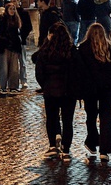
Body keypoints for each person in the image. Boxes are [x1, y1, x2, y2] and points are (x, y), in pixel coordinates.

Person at [75, 23, 111, 163]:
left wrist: (80, 89)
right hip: (107, 88)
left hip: (90, 88)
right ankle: (104, 150)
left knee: (91, 116)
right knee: (106, 117)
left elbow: (79, 71)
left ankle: (92, 142)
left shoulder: (83, 49)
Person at [32, 22, 78, 160]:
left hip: (51, 90)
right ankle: (66, 150)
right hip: (68, 92)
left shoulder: (46, 51)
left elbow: (39, 71)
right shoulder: (71, 51)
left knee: (52, 118)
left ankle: (53, 145)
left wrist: (45, 85)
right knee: (68, 121)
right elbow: (78, 72)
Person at [0, 1, 24, 94]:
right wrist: (5, 40)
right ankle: (3, 87)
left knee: (14, 68)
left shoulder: (16, 20)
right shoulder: (2, 19)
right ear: (6, 10)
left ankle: (13, 87)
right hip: (5, 46)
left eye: (13, 9)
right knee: (4, 67)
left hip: (14, 46)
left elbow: (18, 33)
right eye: (10, 9)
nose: (12, 11)